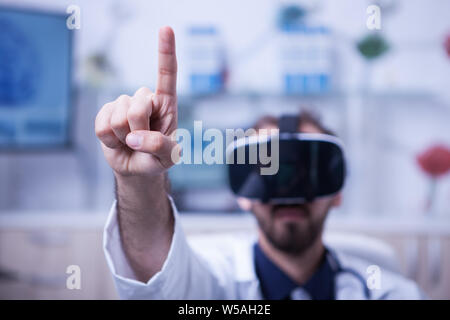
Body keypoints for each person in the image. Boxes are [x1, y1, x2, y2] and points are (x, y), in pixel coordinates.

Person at [95, 27, 425, 299]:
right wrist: (138, 182)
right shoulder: (212, 287)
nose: (288, 188)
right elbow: (158, 280)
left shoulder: (393, 294)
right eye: (269, 167)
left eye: (306, 170)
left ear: (337, 190)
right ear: (242, 192)